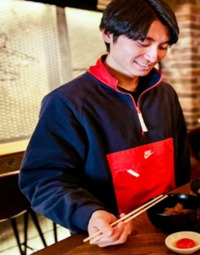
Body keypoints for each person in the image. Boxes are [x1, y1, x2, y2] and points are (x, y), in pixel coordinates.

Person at [19, 0, 191, 247]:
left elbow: (180, 160)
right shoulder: (67, 102)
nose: (154, 56)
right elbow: (43, 180)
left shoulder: (165, 94)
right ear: (108, 34)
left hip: (170, 226)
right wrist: (88, 214)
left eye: (163, 46)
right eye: (143, 43)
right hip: (109, 237)